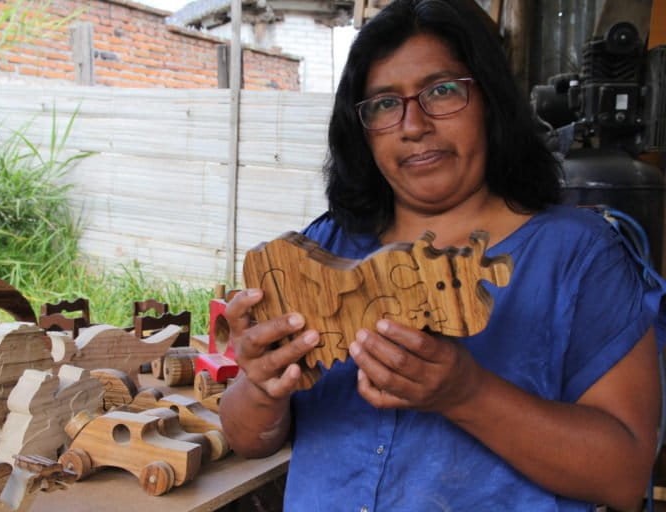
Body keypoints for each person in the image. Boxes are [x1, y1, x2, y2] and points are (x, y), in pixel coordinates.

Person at [219, 0, 666, 510]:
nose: (413, 125)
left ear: (491, 101)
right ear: (361, 130)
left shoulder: (581, 255)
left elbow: (625, 476)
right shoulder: (324, 248)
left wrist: (466, 394)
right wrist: (260, 386)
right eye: (385, 103)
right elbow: (248, 438)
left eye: (442, 91)